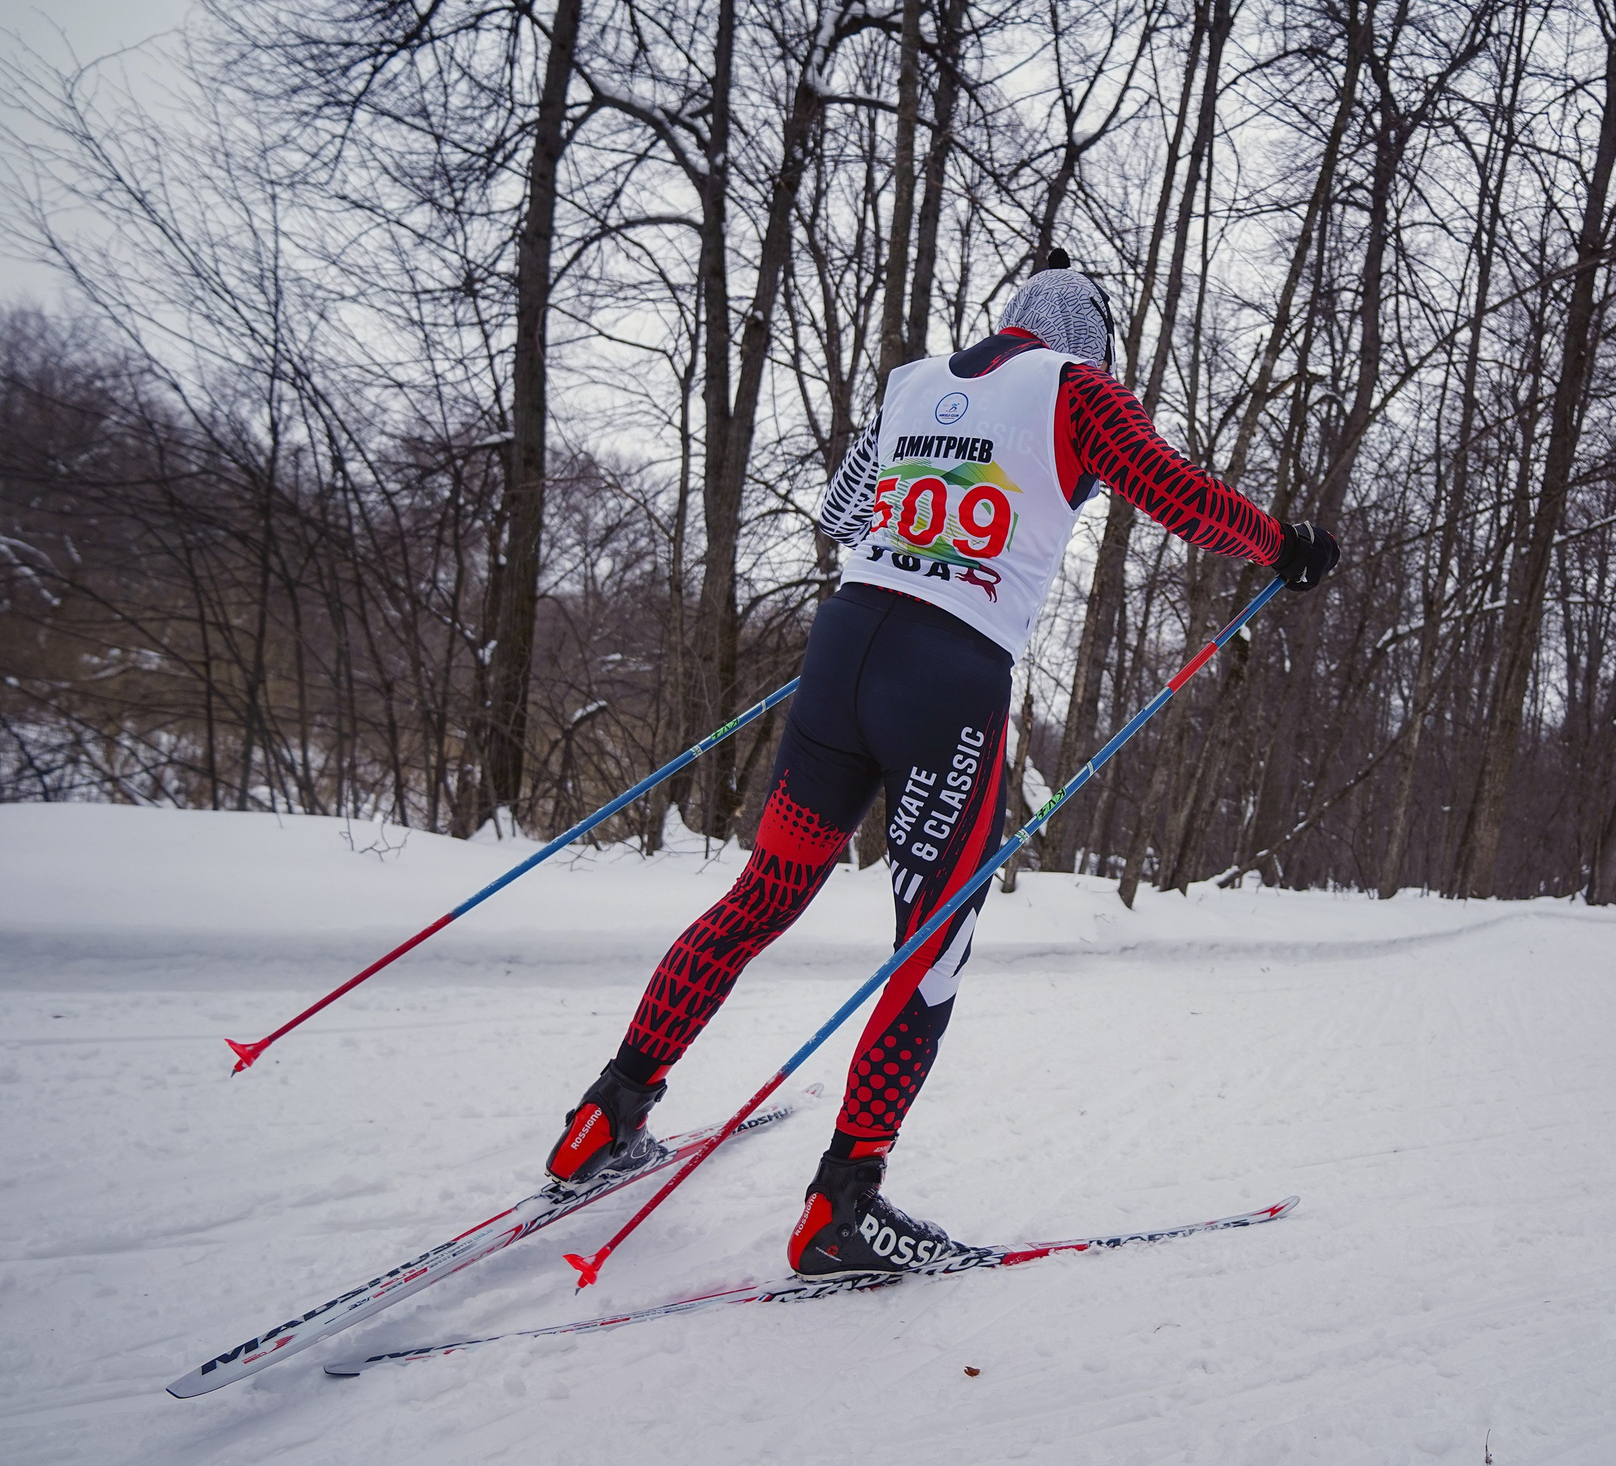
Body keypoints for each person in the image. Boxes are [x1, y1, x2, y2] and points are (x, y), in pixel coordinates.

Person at [544, 250, 1343, 1275]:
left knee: (760, 897)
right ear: (1089, 340)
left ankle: (606, 1116)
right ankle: (844, 1207)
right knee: (931, 949)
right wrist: (1283, 543)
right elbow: (1172, 493)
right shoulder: (1077, 387)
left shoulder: (913, 381)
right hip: (946, 683)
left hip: (843, 651)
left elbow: (841, 515)